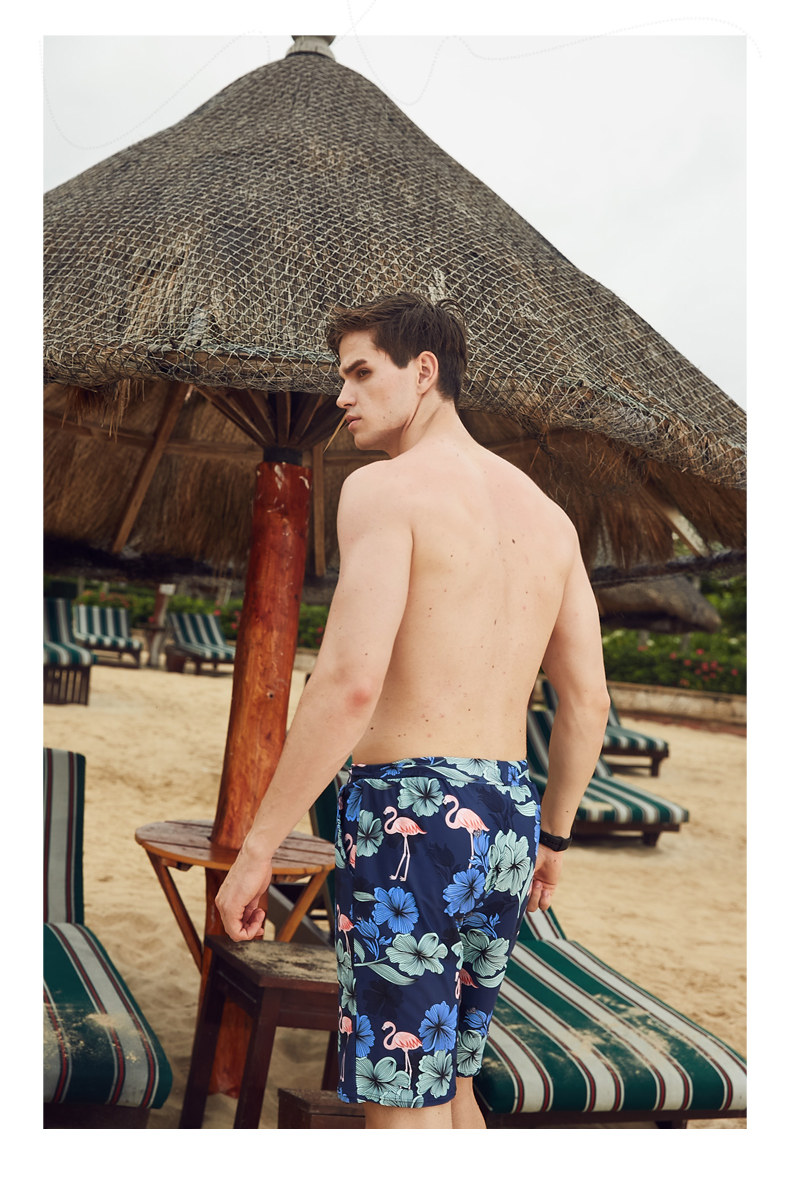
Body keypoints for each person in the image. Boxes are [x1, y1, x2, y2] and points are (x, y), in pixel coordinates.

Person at [215, 292, 610, 1129]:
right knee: (453, 1082)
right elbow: (588, 701)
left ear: (424, 371)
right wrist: (555, 837)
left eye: (362, 373)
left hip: (414, 817)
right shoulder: (549, 517)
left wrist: (259, 849)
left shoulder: (385, 490)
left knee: (400, 1103)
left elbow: (349, 683)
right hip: (508, 816)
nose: (342, 396)